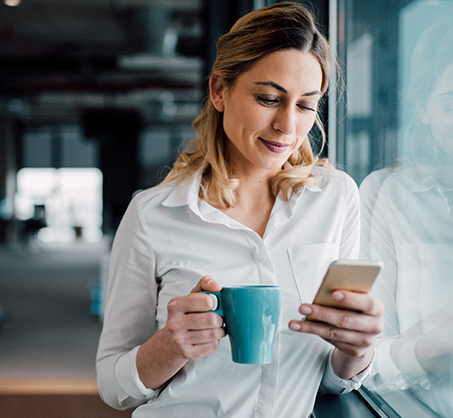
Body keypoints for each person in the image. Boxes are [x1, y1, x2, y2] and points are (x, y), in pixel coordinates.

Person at [96, 3, 383, 417]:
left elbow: (332, 379)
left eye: (305, 105)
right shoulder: (153, 214)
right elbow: (112, 385)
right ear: (219, 91)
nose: (287, 125)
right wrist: (169, 346)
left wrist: (358, 349)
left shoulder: (335, 198)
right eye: (269, 98)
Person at [360, 16, 453, 418]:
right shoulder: (387, 195)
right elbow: (363, 362)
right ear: (423, 108)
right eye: (452, 104)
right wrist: (423, 352)